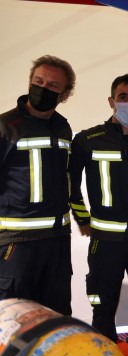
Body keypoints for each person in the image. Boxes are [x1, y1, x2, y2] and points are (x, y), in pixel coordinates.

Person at [69, 73, 128, 341]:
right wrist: (82, 218)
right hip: (105, 243)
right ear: (111, 100)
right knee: (103, 308)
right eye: (123, 97)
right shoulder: (88, 139)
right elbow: (70, 183)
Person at [0, 55, 76, 315]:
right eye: (38, 81)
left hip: (57, 243)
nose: (43, 88)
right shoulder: (5, 126)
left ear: (65, 94)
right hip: (16, 245)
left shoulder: (63, 128)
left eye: (53, 86)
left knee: (56, 317)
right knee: (14, 319)